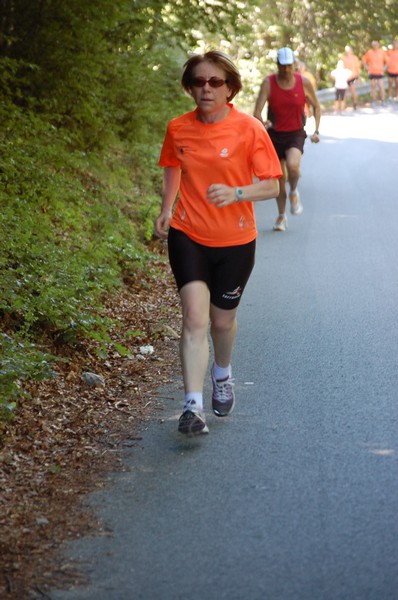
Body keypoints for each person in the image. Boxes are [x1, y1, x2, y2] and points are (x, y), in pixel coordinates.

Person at [154, 51, 282, 436]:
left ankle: (221, 373)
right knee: (194, 318)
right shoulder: (178, 128)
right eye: (198, 82)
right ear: (189, 87)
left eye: (215, 82)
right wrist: (166, 208)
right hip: (188, 233)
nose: (206, 89)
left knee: (221, 322)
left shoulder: (249, 129)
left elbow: (273, 184)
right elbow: (173, 166)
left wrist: (238, 191)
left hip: (236, 241)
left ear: (230, 88)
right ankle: (192, 405)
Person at [253, 47, 321, 232]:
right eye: (283, 66)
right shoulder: (269, 82)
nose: (286, 70)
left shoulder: (303, 82)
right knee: (279, 180)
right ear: (277, 65)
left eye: (289, 66)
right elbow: (257, 111)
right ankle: (281, 216)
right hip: (274, 135)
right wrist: (263, 123)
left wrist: (316, 130)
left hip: (295, 134)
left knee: (293, 166)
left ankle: (294, 191)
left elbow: (316, 106)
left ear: (294, 65)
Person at [362, 40, 387, 105]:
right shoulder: (369, 52)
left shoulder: (381, 52)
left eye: (376, 44)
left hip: (379, 72)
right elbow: (364, 61)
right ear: (372, 45)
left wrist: (384, 68)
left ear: (378, 45)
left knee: (381, 86)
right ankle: (374, 100)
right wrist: (367, 67)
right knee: (373, 87)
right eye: (374, 45)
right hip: (372, 72)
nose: (375, 46)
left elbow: (387, 61)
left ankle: (383, 100)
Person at [341, 45, 361, 109]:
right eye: (346, 51)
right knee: (344, 93)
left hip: (353, 77)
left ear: (351, 51)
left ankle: (354, 104)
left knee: (353, 91)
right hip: (345, 78)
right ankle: (343, 106)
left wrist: (359, 77)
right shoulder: (343, 58)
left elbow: (358, 68)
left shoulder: (355, 58)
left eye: (349, 50)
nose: (348, 52)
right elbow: (341, 68)